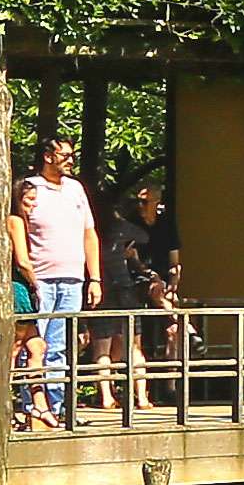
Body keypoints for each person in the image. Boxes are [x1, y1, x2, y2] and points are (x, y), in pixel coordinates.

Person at [12, 138, 96, 427]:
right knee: (34, 345)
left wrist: (93, 277)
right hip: (41, 279)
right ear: (48, 156)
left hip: (73, 278)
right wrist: (31, 280)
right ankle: (30, 407)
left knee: (61, 346)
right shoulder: (31, 188)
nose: (70, 160)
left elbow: (90, 234)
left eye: (73, 155)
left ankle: (57, 408)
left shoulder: (76, 189)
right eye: (65, 155)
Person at [101, 175, 177, 422]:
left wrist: (170, 283)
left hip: (136, 286)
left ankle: (156, 392)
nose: (141, 206)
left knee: (128, 344)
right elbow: (132, 252)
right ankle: (114, 396)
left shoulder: (164, 224)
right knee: (115, 345)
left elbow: (172, 261)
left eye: (146, 202)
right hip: (122, 284)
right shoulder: (127, 226)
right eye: (139, 202)